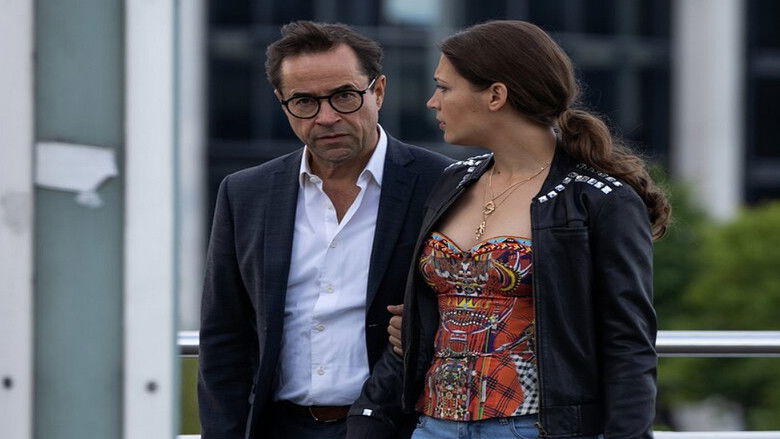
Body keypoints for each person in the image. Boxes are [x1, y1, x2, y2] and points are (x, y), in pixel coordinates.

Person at [346, 20, 670, 439]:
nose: (432, 102)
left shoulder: (599, 200)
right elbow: (419, 311)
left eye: (444, 88)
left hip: (533, 427)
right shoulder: (452, 181)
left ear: (496, 95)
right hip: (432, 425)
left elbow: (628, 343)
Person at [198, 20, 453, 439]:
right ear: (283, 104)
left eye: (344, 96)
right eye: (304, 101)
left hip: (397, 426)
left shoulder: (441, 184)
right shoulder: (245, 193)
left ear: (379, 91)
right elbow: (224, 336)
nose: (327, 117)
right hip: (277, 427)